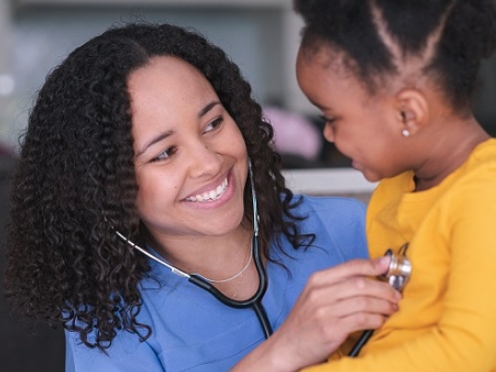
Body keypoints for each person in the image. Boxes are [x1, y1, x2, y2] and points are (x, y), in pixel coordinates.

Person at [3, 22, 401, 371]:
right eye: (164, 153)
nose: (209, 163)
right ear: (106, 187)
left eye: (212, 123)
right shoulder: (107, 319)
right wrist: (281, 354)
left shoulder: (349, 229)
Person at [293, 0, 496, 371]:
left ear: (407, 113)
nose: (327, 134)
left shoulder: (486, 196)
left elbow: (470, 353)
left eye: (333, 118)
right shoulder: (396, 188)